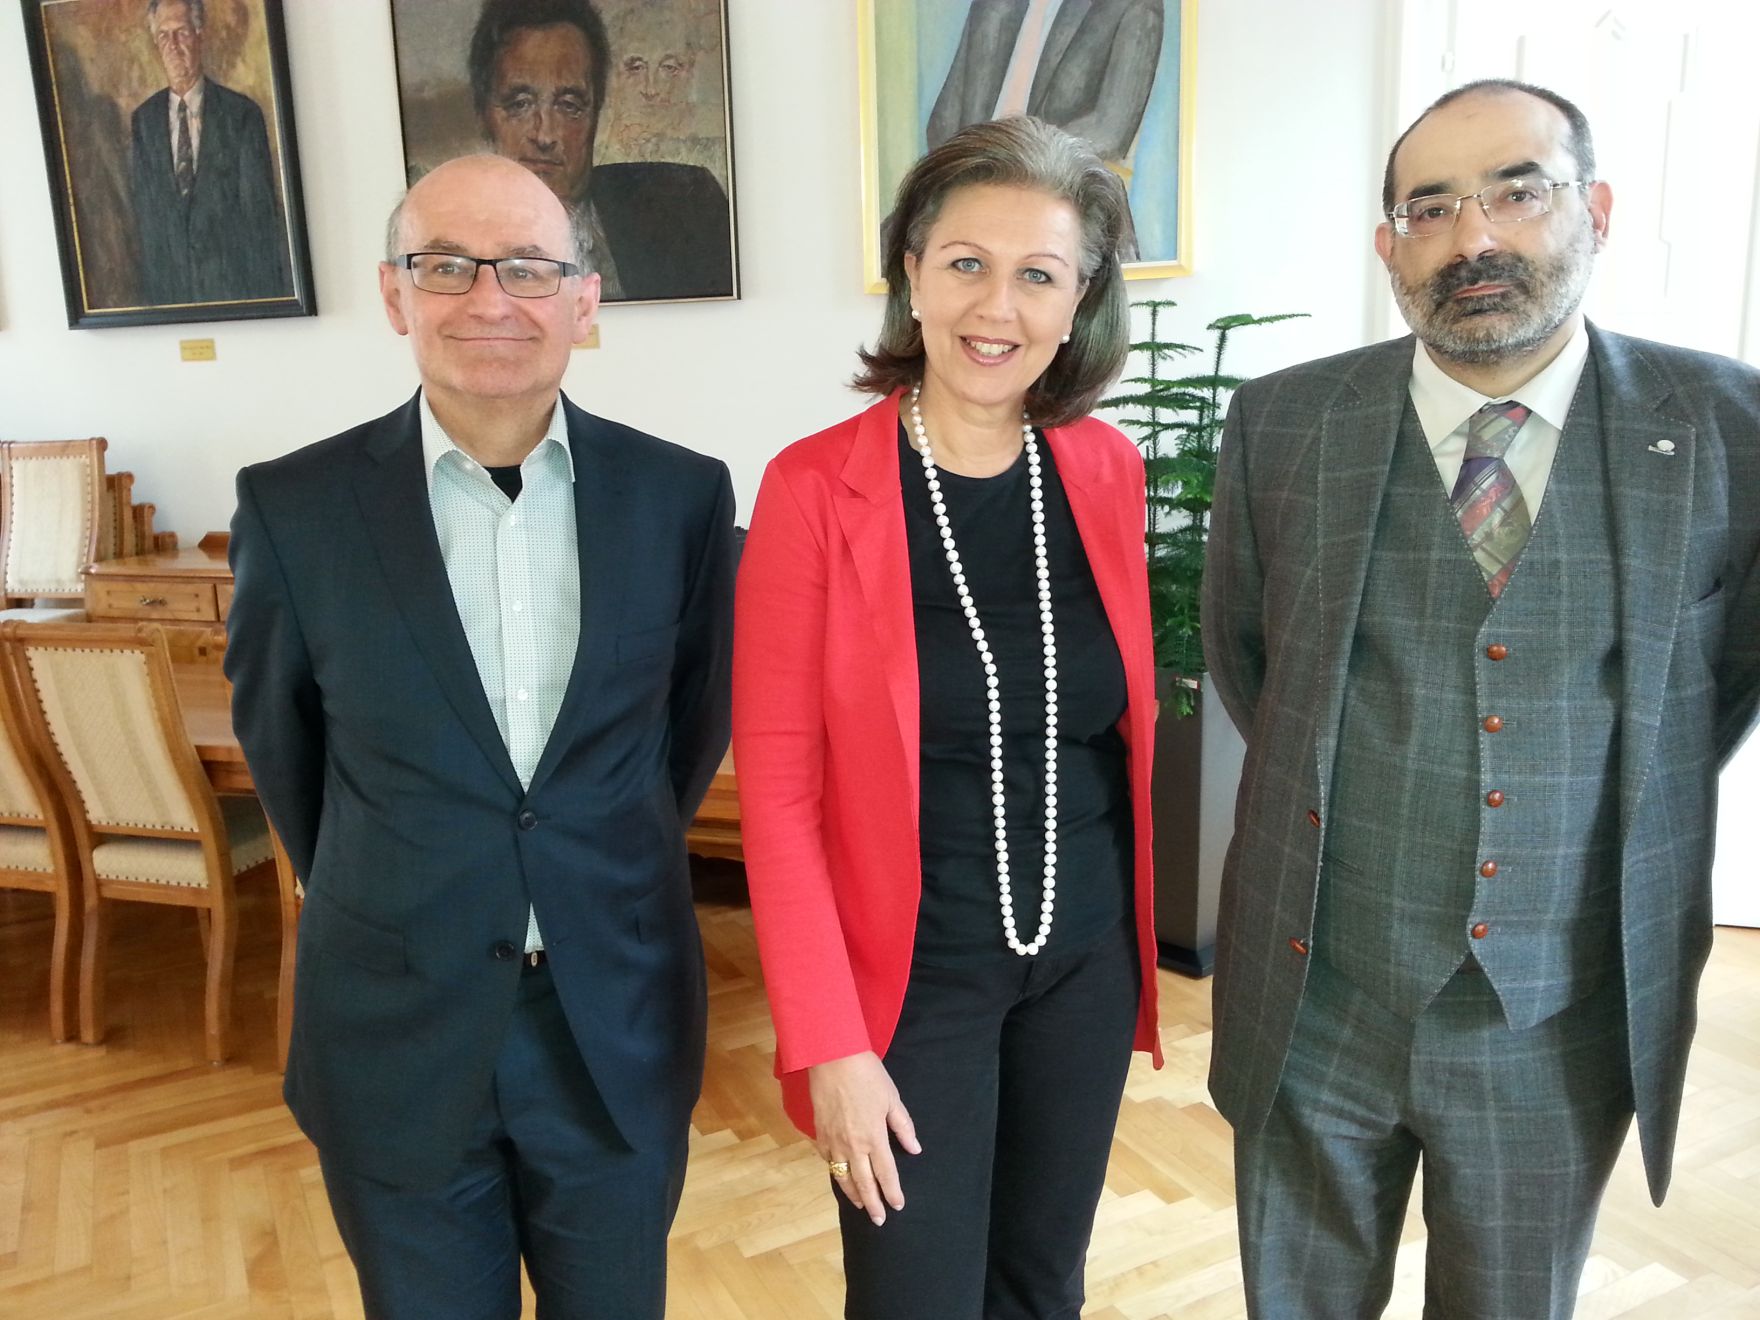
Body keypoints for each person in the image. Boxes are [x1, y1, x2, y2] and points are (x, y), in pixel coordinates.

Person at [1202, 78, 1760, 1318]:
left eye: (1517, 190)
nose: (1476, 238)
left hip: (1551, 1023)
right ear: (1387, 241)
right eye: (1431, 205)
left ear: (1595, 209)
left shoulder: (1728, 425)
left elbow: (1710, 696)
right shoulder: (1283, 425)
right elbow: (1253, 665)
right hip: (1317, 996)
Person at [224, 153, 735, 1319]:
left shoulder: (683, 499)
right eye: (445, 266)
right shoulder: (292, 509)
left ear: (584, 301)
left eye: (528, 269)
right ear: (396, 295)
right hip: (393, 1029)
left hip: (610, 1024)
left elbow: (680, 738)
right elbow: (287, 754)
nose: (489, 301)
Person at [733, 116, 1163, 1319]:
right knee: (914, 1295)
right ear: (910, 272)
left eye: (1040, 273)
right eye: (965, 261)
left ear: (1078, 302)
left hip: (1081, 961)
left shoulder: (1102, 471)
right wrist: (828, 1041)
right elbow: (774, 792)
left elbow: (1113, 731)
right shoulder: (814, 488)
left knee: (1039, 1285)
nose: (998, 305)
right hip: (908, 984)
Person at [468, 0, 734, 302]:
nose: (545, 134)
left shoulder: (689, 209)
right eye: (520, 104)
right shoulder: (449, 247)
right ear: (483, 116)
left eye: (569, 105)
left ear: (597, 113)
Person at [129, 0, 292, 306]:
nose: (173, 46)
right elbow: (147, 224)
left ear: (200, 35)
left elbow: (260, 223)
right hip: (169, 300)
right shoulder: (144, 121)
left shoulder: (242, 115)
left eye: (182, 33)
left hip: (234, 293)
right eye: (164, 36)